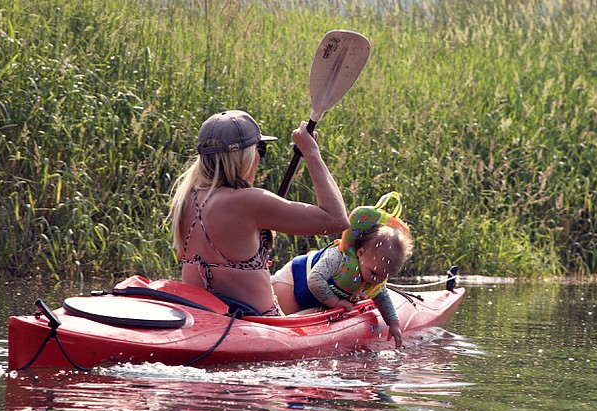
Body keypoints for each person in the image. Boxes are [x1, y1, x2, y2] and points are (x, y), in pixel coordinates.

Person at [169, 110, 349, 315]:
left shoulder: (184, 199)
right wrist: (311, 152)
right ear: (244, 156)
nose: (259, 158)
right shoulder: (247, 201)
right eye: (260, 149)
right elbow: (336, 219)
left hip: (204, 318)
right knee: (329, 310)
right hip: (258, 323)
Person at [272, 192, 414, 348]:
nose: (377, 281)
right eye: (374, 274)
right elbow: (315, 279)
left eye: (385, 277)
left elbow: (382, 296)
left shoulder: (375, 272)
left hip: (317, 295)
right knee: (286, 321)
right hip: (293, 281)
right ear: (360, 253)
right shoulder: (338, 259)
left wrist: (393, 323)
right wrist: (336, 302)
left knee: (313, 313)